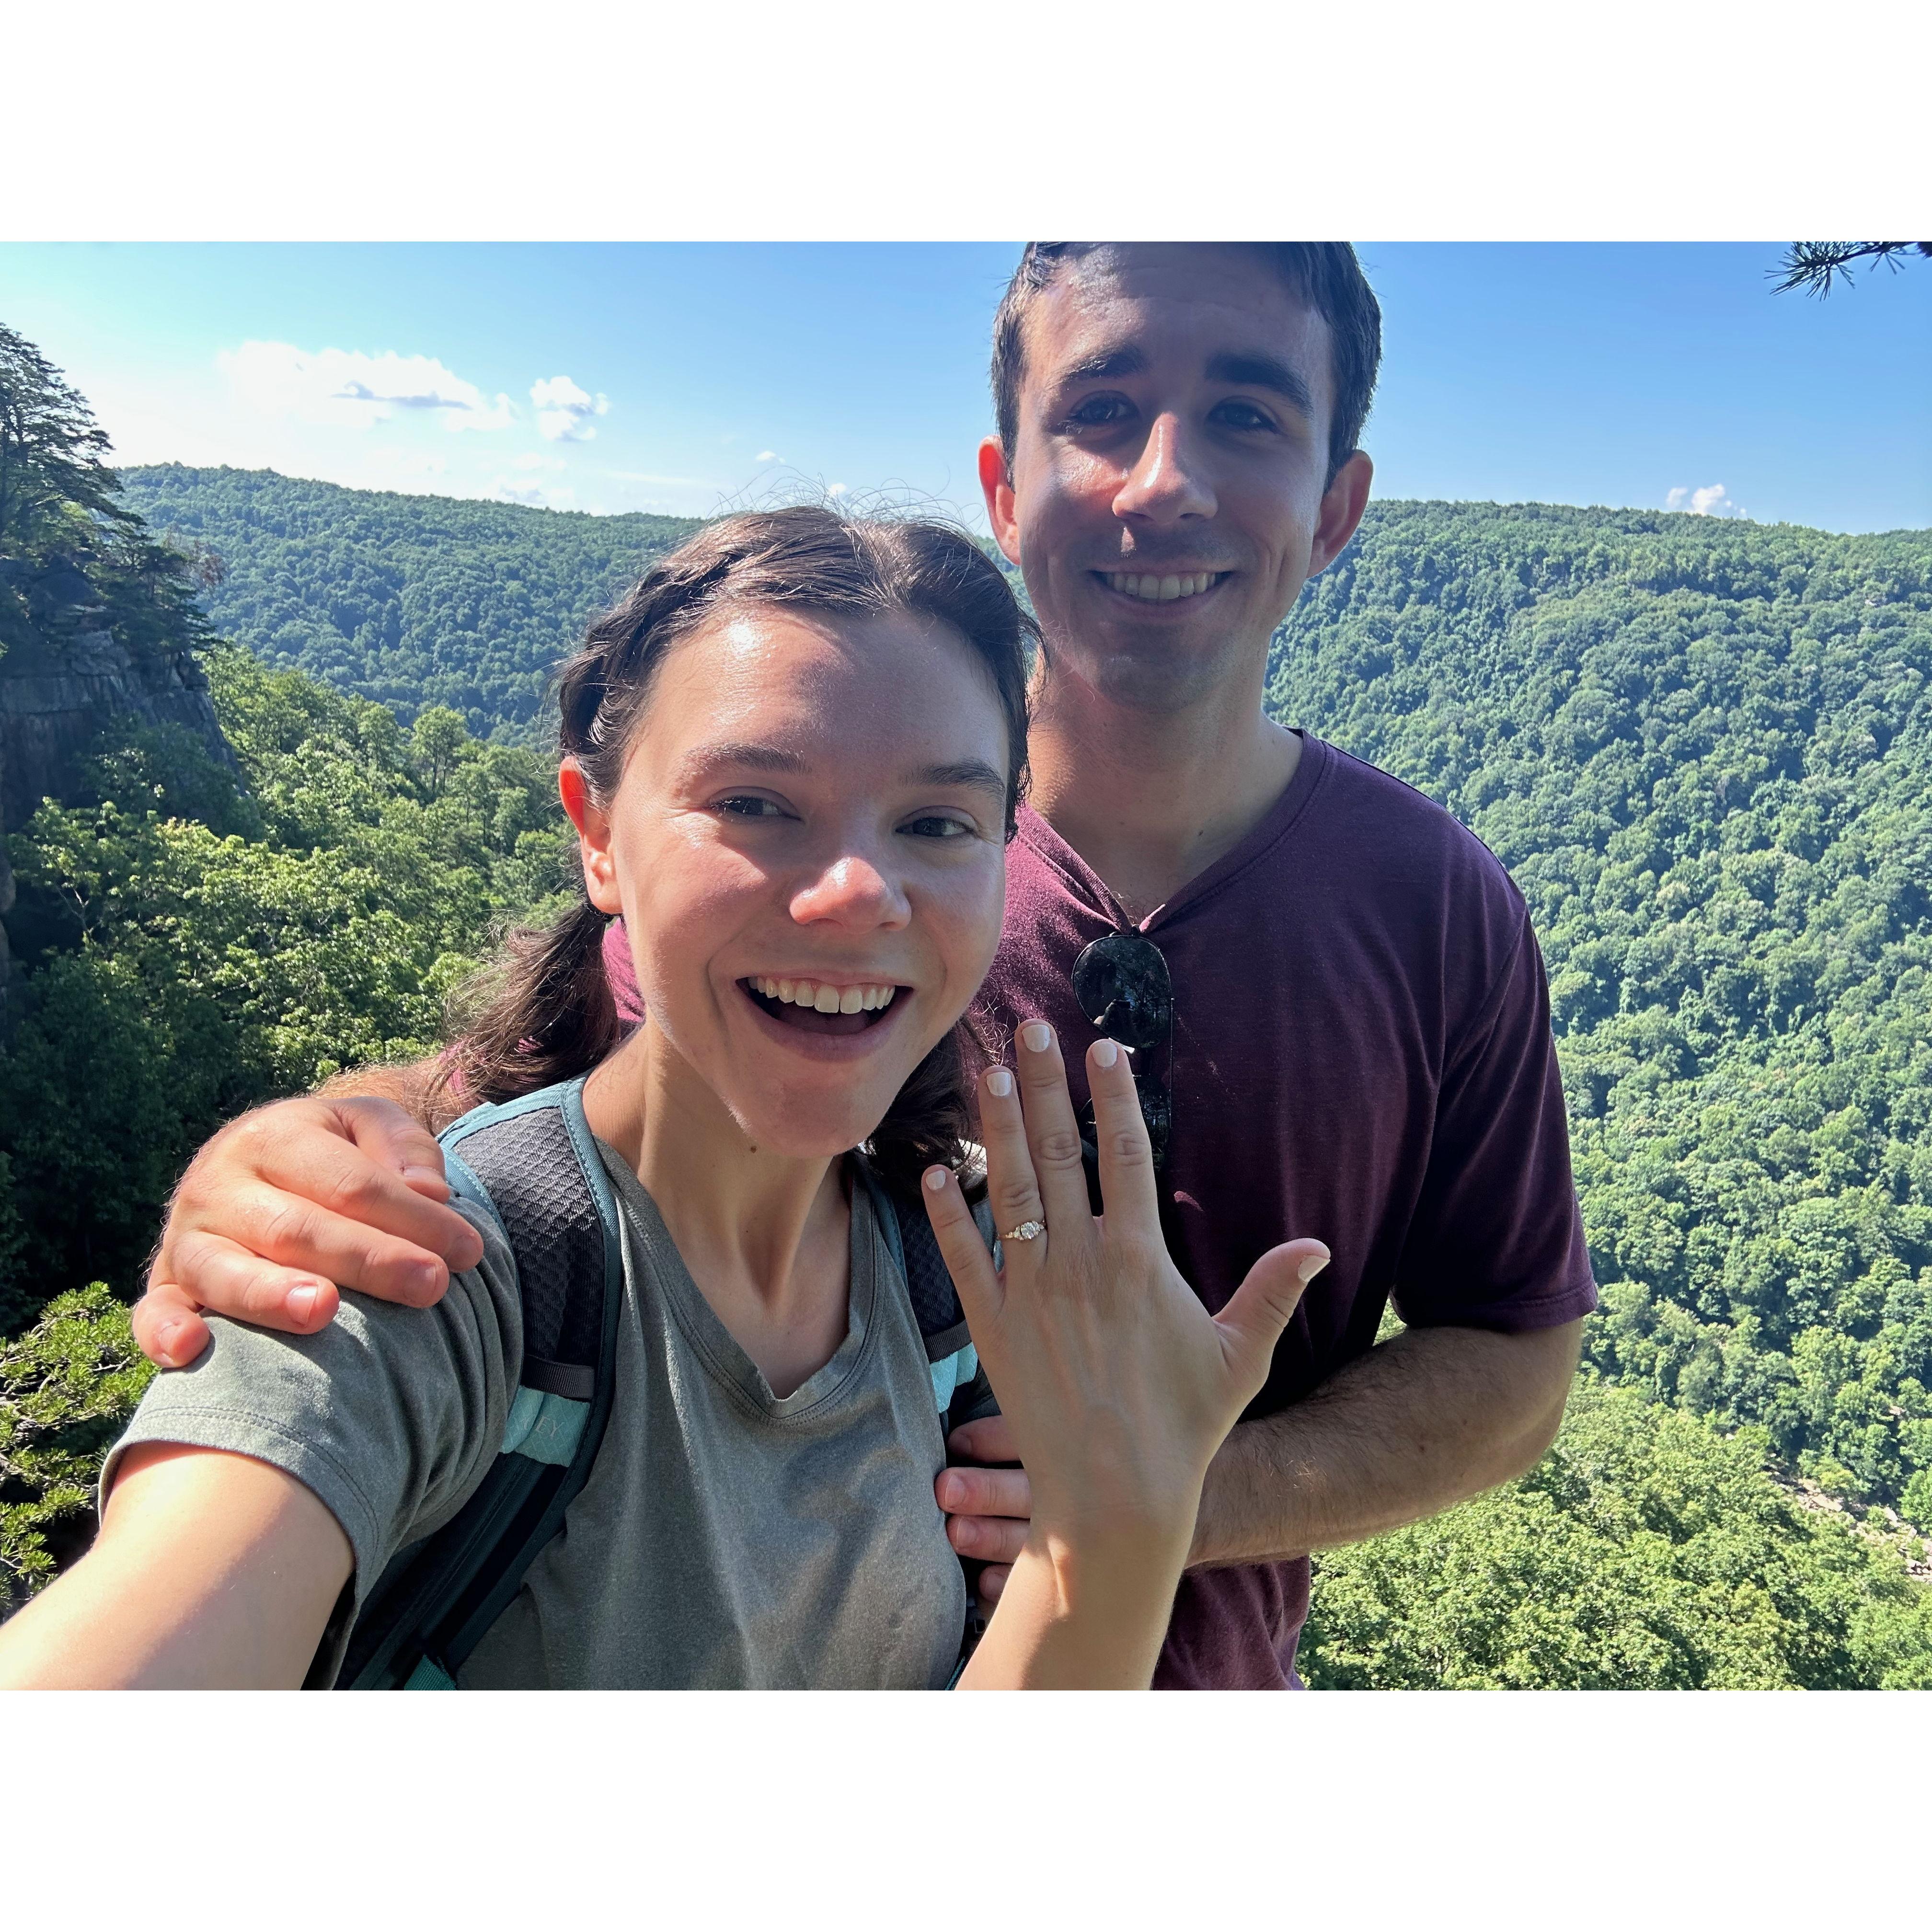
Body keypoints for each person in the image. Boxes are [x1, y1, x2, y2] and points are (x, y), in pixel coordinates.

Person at [128, 243, 1598, 1690]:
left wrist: (1171, 1501)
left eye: (1247, 415)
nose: (1163, 482)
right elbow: (553, 1093)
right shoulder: (836, 866)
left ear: (1337, 505)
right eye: (1100, 409)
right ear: (1006, 487)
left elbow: (1515, 1350)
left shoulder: (1436, 906)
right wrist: (299, 1159)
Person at [0, 509, 1329, 1690]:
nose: (860, 892)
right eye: (755, 802)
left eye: (937, 823)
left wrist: (1124, 1523)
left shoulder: (958, 1293)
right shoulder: (418, 1281)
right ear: (597, 833)